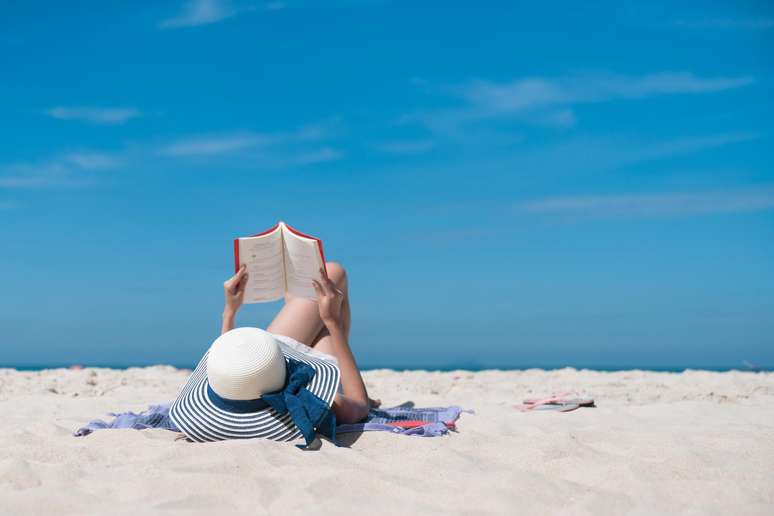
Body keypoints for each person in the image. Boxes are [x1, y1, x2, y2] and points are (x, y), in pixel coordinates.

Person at [221, 261, 378, 424]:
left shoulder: (230, 383)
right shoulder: (313, 402)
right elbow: (360, 405)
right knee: (332, 273)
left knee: (311, 292)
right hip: (286, 369)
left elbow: (225, 369)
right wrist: (333, 322)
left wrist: (230, 311)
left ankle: (296, 298)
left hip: (272, 368)